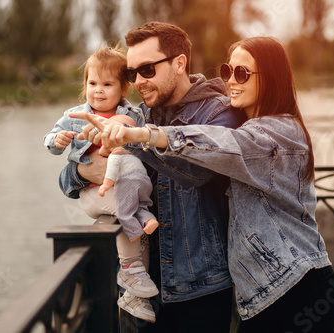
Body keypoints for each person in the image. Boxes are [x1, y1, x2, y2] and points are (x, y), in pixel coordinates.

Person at [71, 36, 334, 332]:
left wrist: (143, 136)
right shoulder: (238, 120)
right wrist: (84, 166)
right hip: (261, 296)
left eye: (243, 73)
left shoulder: (278, 133)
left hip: (296, 289)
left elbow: (220, 145)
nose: (231, 81)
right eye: (228, 71)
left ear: (272, 78)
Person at [60, 22, 245, 332]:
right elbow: (66, 182)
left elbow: (195, 172)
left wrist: (134, 141)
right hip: (140, 291)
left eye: (146, 70)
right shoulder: (138, 114)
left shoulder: (218, 113)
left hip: (199, 288)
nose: (138, 82)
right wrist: (82, 169)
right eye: (132, 74)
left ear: (180, 63)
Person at [43, 43, 157, 322]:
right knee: (126, 212)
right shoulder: (74, 116)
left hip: (125, 186)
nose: (98, 90)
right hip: (96, 193)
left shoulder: (133, 115)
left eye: (107, 84)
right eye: (92, 83)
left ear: (123, 89)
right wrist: (56, 142)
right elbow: (50, 141)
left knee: (138, 222)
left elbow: (138, 140)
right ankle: (130, 271)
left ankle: (134, 294)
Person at [98, 114, 160, 323]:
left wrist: (105, 186)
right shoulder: (136, 155)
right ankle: (147, 221)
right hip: (143, 185)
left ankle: (134, 236)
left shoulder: (118, 155)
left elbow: (109, 175)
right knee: (139, 206)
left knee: (125, 212)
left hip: (126, 184)